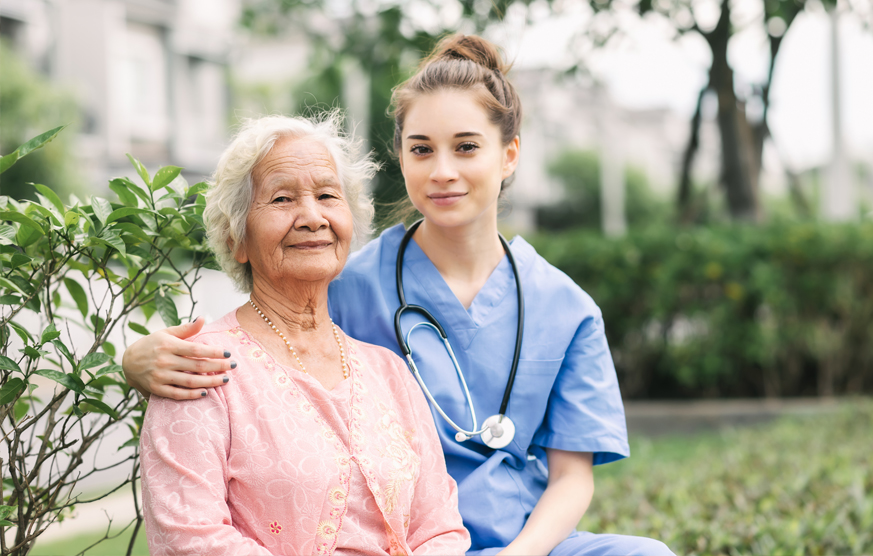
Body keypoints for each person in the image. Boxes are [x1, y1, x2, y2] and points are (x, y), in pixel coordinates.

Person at [125, 35, 675, 556]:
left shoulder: (566, 308)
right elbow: (265, 334)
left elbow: (572, 477)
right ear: (401, 157)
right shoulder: (345, 282)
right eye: (421, 149)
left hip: (524, 541)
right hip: (398, 535)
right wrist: (135, 359)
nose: (443, 171)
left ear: (508, 155)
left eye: (466, 147)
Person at [138, 113, 470, 555]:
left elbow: (439, 529)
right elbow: (190, 539)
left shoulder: (389, 372)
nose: (312, 217)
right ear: (236, 236)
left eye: (328, 195)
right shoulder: (198, 369)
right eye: (281, 199)